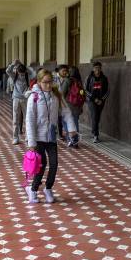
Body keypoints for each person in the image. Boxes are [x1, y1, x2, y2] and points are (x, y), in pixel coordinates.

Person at [25, 69, 78, 203]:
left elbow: (66, 112)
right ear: (39, 82)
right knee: (41, 165)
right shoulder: (34, 98)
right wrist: (31, 142)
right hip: (38, 138)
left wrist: (71, 129)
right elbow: (29, 120)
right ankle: (33, 189)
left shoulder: (56, 96)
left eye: (50, 82)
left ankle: (48, 188)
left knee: (54, 164)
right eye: (45, 82)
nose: (48, 85)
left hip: (51, 136)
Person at [6, 60, 36, 145]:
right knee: (15, 119)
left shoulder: (27, 76)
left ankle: (28, 137)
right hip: (16, 99)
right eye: (20, 73)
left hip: (25, 99)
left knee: (27, 118)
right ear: (17, 71)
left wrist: (24, 65)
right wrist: (13, 64)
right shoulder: (14, 76)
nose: (21, 75)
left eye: (22, 74)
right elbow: (7, 71)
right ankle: (15, 138)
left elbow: (34, 73)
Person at [60, 66, 84, 148]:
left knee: (67, 123)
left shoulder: (67, 80)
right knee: (75, 123)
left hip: (68, 105)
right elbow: (82, 94)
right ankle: (75, 141)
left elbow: (62, 93)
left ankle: (70, 140)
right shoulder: (79, 82)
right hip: (77, 105)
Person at [85, 61, 109, 143]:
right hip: (91, 101)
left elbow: (107, 91)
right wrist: (94, 99)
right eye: (95, 68)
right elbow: (85, 90)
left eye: (99, 68)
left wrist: (101, 100)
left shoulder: (104, 78)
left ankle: (93, 131)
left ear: (101, 69)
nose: (97, 70)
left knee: (97, 117)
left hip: (101, 101)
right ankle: (96, 135)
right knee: (95, 115)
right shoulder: (89, 78)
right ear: (93, 69)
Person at [55, 65, 69, 141]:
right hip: (55, 100)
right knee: (57, 118)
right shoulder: (54, 78)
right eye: (63, 71)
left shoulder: (67, 79)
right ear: (59, 71)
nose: (64, 72)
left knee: (60, 118)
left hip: (63, 101)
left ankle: (60, 134)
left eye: (66, 71)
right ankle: (58, 133)